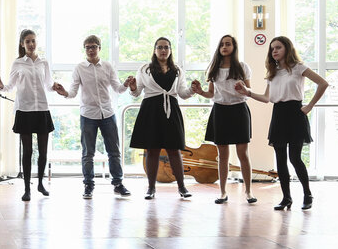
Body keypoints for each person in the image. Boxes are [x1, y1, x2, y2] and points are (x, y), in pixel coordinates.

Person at [236, 36, 328, 210]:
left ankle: (307, 194)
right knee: (280, 159)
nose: (274, 51)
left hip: (295, 113)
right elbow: (266, 98)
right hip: (278, 114)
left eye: (278, 47)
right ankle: (286, 198)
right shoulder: (273, 72)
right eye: (272, 49)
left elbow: (323, 83)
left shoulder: (299, 68)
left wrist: (310, 106)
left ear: (287, 49)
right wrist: (247, 92)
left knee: (295, 158)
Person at [54, 35, 133, 199]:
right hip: (88, 114)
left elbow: (118, 89)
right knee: (88, 153)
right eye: (88, 47)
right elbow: (73, 92)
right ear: (85, 50)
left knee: (114, 151)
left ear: (99, 48)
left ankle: (118, 183)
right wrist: (64, 93)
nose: (91, 50)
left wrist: (126, 84)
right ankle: (88, 185)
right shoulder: (79, 68)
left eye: (94, 46)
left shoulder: (108, 66)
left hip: (108, 113)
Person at [191, 35, 256, 204]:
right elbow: (211, 94)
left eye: (228, 44)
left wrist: (243, 89)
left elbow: (249, 90)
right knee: (222, 155)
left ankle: (248, 192)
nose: (224, 47)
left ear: (234, 47)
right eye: (222, 44)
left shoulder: (242, 67)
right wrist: (199, 91)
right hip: (220, 111)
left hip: (239, 110)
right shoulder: (214, 68)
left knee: (243, 153)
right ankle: (222, 192)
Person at [0, 29, 60, 202]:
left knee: (43, 151)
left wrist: (55, 87)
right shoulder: (17, 63)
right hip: (24, 110)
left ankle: (40, 183)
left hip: (41, 109)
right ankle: (26, 188)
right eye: (28, 42)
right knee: (27, 151)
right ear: (22, 44)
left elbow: (48, 85)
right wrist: (0, 85)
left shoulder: (43, 62)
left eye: (33, 41)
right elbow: (9, 86)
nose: (31, 44)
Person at [128, 37, 194, 199]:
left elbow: (183, 94)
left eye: (166, 47)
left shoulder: (177, 70)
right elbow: (136, 93)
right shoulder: (145, 69)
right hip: (151, 111)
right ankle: (151, 188)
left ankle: (182, 187)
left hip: (171, 110)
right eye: (160, 47)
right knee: (152, 150)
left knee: (174, 150)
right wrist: (133, 86)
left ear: (170, 50)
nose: (163, 50)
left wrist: (193, 89)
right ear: (155, 50)